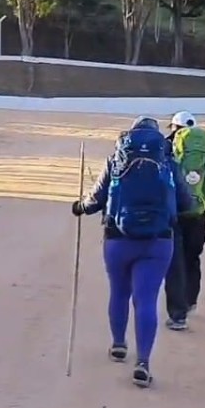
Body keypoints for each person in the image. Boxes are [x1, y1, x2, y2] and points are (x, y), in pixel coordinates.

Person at [72, 116, 194, 388]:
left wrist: (79, 206)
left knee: (119, 291)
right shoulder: (167, 160)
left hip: (118, 238)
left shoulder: (116, 159)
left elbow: (95, 201)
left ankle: (118, 344)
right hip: (159, 241)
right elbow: (186, 202)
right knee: (146, 299)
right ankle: (143, 363)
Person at [163, 110, 205, 331]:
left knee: (175, 262)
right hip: (197, 214)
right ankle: (190, 301)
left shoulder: (166, 148)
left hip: (173, 215)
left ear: (173, 128)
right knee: (192, 258)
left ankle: (177, 315)